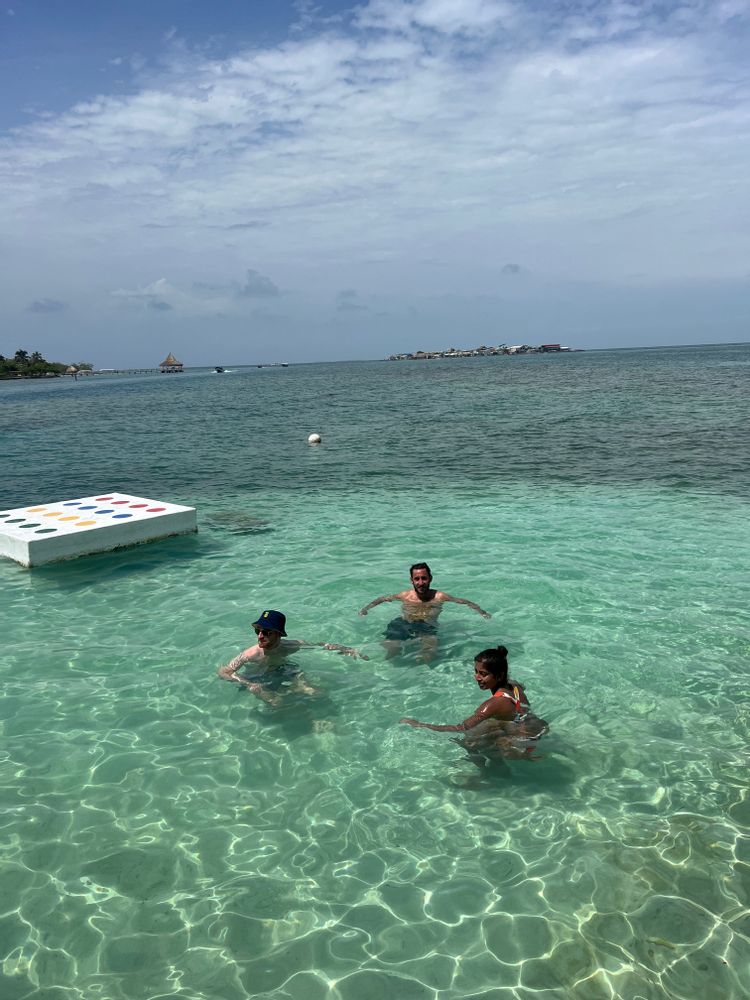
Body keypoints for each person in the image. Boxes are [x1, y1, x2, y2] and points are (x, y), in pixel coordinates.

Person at [400, 645, 548, 761]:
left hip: (523, 744)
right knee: (486, 727)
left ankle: (487, 772)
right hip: (537, 729)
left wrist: (420, 725)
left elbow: (460, 728)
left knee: (468, 741)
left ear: (500, 675)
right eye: (476, 671)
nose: (477, 677)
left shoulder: (492, 704)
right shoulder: (514, 685)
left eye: (483, 674)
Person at [218, 609, 367, 706]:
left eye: (267, 632)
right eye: (258, 631)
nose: (260, 636)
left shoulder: (291, 646)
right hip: (257, 678)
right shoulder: (250, 654)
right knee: (277, 703)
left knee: (316, 693)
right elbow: (224, 672)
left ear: (278, 634)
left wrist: (348, 649)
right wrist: (248, 683)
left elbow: (323, 645)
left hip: (284, 669)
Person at [359, 562, 491, 662]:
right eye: (417, 579)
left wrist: (482, 612)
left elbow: (464, 601)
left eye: (424, 578)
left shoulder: (439, 596)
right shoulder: (405, 595)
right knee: (392, 652)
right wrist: (366, 609)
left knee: (428, 656)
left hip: (426, 627)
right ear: (412, 580)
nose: (420, 582)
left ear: (430, 578)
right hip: (402, 624)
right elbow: (383, 599)